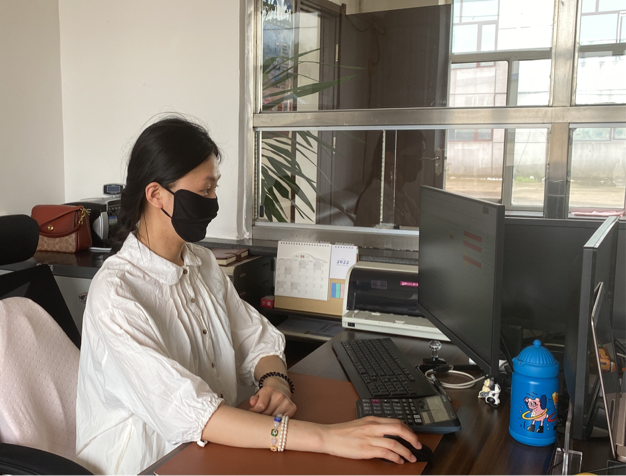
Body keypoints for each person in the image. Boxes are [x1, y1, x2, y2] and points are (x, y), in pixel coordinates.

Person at [75, 117, 422, 475]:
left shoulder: (202, 262)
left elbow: (255, 339)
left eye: (215, 188)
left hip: (214, 446)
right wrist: (327, 437)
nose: (213, 201)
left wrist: (276, 382)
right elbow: (190, 412)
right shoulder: (116, 294)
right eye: (205, 190)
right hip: (149, 461)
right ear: (155, 194)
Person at [355, 130, 426, 228]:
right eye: (416, 155)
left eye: (421, 157)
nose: (420, 166)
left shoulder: (403, 198)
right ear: (390, 157)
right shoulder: (378, 202)